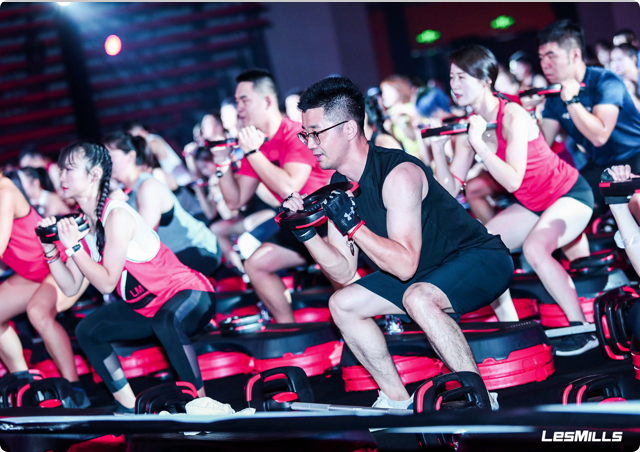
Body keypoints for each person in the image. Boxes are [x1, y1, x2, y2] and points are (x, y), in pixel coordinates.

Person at [283, 75, 512, 409]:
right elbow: (343, 271)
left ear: (349, 129)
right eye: (306, 134)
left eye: (316, 133)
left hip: (479, 259)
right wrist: (305, 231)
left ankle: (479, 399)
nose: (310, 143)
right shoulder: (340, 183)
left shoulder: (398, 174)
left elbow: (404, 267)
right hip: (424, 272)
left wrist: (353, 224)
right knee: (342, 304)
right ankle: (396, 401)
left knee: (418, 298)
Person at [431, 45, 596, 354]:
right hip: (534, 203)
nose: (454, 85)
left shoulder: (512, 116)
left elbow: (512, 180)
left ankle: (582, 330)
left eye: (462, 77)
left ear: (485, 79)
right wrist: (439, 151)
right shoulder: (473, 125)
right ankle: (513, 332)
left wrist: (480, 146)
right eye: (451, 77)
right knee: (484, 250)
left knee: (535, 249)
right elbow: (450, 190)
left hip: (569, 193)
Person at [38, 141, 216, 412]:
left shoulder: (116, 215)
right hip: (147, 307)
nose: (61, 177)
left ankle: (202, 406)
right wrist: (50, 249)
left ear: (94, 174)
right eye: (60, 170)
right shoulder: (84, 225)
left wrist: (74, 247)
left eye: (69, 169)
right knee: (88, 330)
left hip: (191, 294)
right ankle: (129, 407)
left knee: (166, 321)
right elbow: (71, 286)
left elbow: (107, 282)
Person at [218, 69, 334, 323]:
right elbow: (235, 201)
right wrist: (222, 163)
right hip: (300, 224)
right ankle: (288, 330)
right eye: (237, 101)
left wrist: (252, 153)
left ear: (267, 101)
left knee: (339, 280)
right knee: (255, 265)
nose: (239, 109)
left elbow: (289, 186)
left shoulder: (294, 133)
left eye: (244, 100)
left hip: (329, 219)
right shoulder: (258, 145)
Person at [0, 170, 90, 407]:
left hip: (63, 262)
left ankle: (74, 390)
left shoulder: (4, 190)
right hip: (32, 273)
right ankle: (24, 384)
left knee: (38, 312)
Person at [537, 20, 640, 216]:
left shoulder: (605, 80)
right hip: (601, 165)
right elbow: (542, 145)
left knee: (635, 204)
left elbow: (599, 136)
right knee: (560, 207)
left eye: (551, 56)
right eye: (541, 58)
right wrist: (529, 113)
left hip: (636, 156)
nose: (545, 64)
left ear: (575, 55)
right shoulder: (553, 97)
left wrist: (571, 101)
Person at [104, 132, 222, 277]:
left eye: (110, 156)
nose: (105, 162)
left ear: (130, 157)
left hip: (197, 249)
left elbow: (144, 240)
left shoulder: (147, 186)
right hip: (173, 254)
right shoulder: (125, 191)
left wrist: (117, 207)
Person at [126, 123, 193, 187]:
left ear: (141, 131)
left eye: (134, 137)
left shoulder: (152, 141)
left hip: (181, 181)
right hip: (175, 181)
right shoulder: (151, 141)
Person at [610, 44, 640, 111]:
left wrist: (631, 95)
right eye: (613, 60)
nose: (615, 64)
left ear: (633, 59)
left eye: (619, 59)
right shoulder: (617, 81)